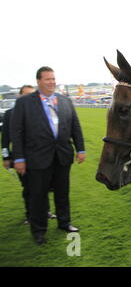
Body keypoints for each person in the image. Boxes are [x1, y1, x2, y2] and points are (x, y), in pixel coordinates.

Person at [10, 66, 86, 245]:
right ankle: (39, 231)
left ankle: (64, 223)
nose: (52, 82)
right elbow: (16, 132)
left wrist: (80, 149)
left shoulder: (65, 100)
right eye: (47, 79)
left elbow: (75, 126)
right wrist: (18, 158)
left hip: (62, 156)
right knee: (38, 195)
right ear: (38, 81)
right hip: (37, 157)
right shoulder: (24, 103)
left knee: (62, 192)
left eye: (53, 78)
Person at [2, 85, 56, 224]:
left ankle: (46, 211)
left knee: (43, 186)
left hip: (40, 157)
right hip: (21, 158)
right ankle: (30, 215)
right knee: (28, 188)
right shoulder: (10, 114)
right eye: (25, 95)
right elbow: (5, 139)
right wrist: (6, 157)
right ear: (20, 97)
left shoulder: (41, 112)